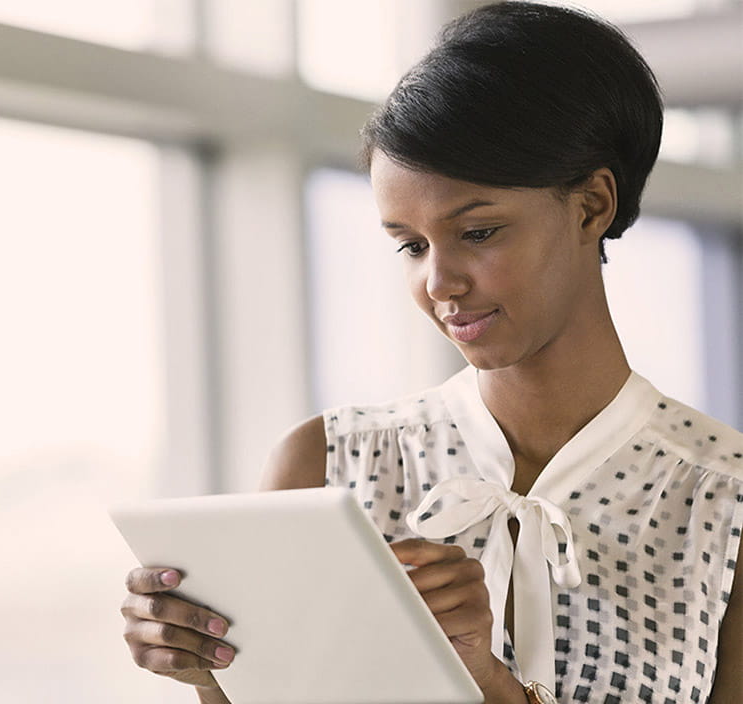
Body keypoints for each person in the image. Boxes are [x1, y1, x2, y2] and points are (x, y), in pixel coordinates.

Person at [119, 2, 743, 702]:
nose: (439, 283)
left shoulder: (725, 503)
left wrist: (482, 677)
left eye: (478, 232)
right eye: (411, 245)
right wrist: (210, 670)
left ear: (592, 206)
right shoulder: (327, 465)